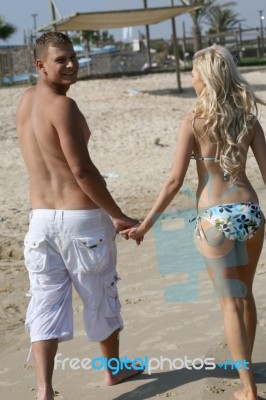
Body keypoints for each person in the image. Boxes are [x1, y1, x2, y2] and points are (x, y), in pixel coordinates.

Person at [122, 45, 266, 400]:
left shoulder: (193, 120)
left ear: (206, 76)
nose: (190, 77)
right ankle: (244, 368)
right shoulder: (248, 118)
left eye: (193, 71)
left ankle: (247, 388)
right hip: (249, 213)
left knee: (229, 302)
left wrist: (146, 224)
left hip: (214, 217)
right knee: (245, 296)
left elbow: (174, 182)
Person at [16, 31, 142, 400]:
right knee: (101, 295)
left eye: (73, 57)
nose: (72, 65)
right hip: (80, 220)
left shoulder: (24, 102)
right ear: (40, 66)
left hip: (40, 220)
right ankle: (113, 373)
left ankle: (44, 391)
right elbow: (82, 172)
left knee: (45, 302)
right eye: (61, 60)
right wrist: (117, 215)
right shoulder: (63, 107)